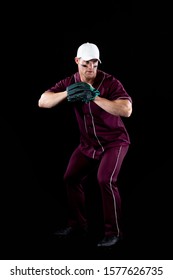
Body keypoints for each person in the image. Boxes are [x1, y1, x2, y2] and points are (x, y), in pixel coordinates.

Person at [38, 42, 132, 247]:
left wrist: (96, 97)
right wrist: (67, 93)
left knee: (104, 179)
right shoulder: (70, 81)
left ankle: (113, 233)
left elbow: (126, 110)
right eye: (86, 63)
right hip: (88, 144)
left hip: (114, 142)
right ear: (77, 61)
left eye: (94, 64)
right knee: (70, 177)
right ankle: (78, 226)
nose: (90, 68)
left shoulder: (109, 82)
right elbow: (43, 101)